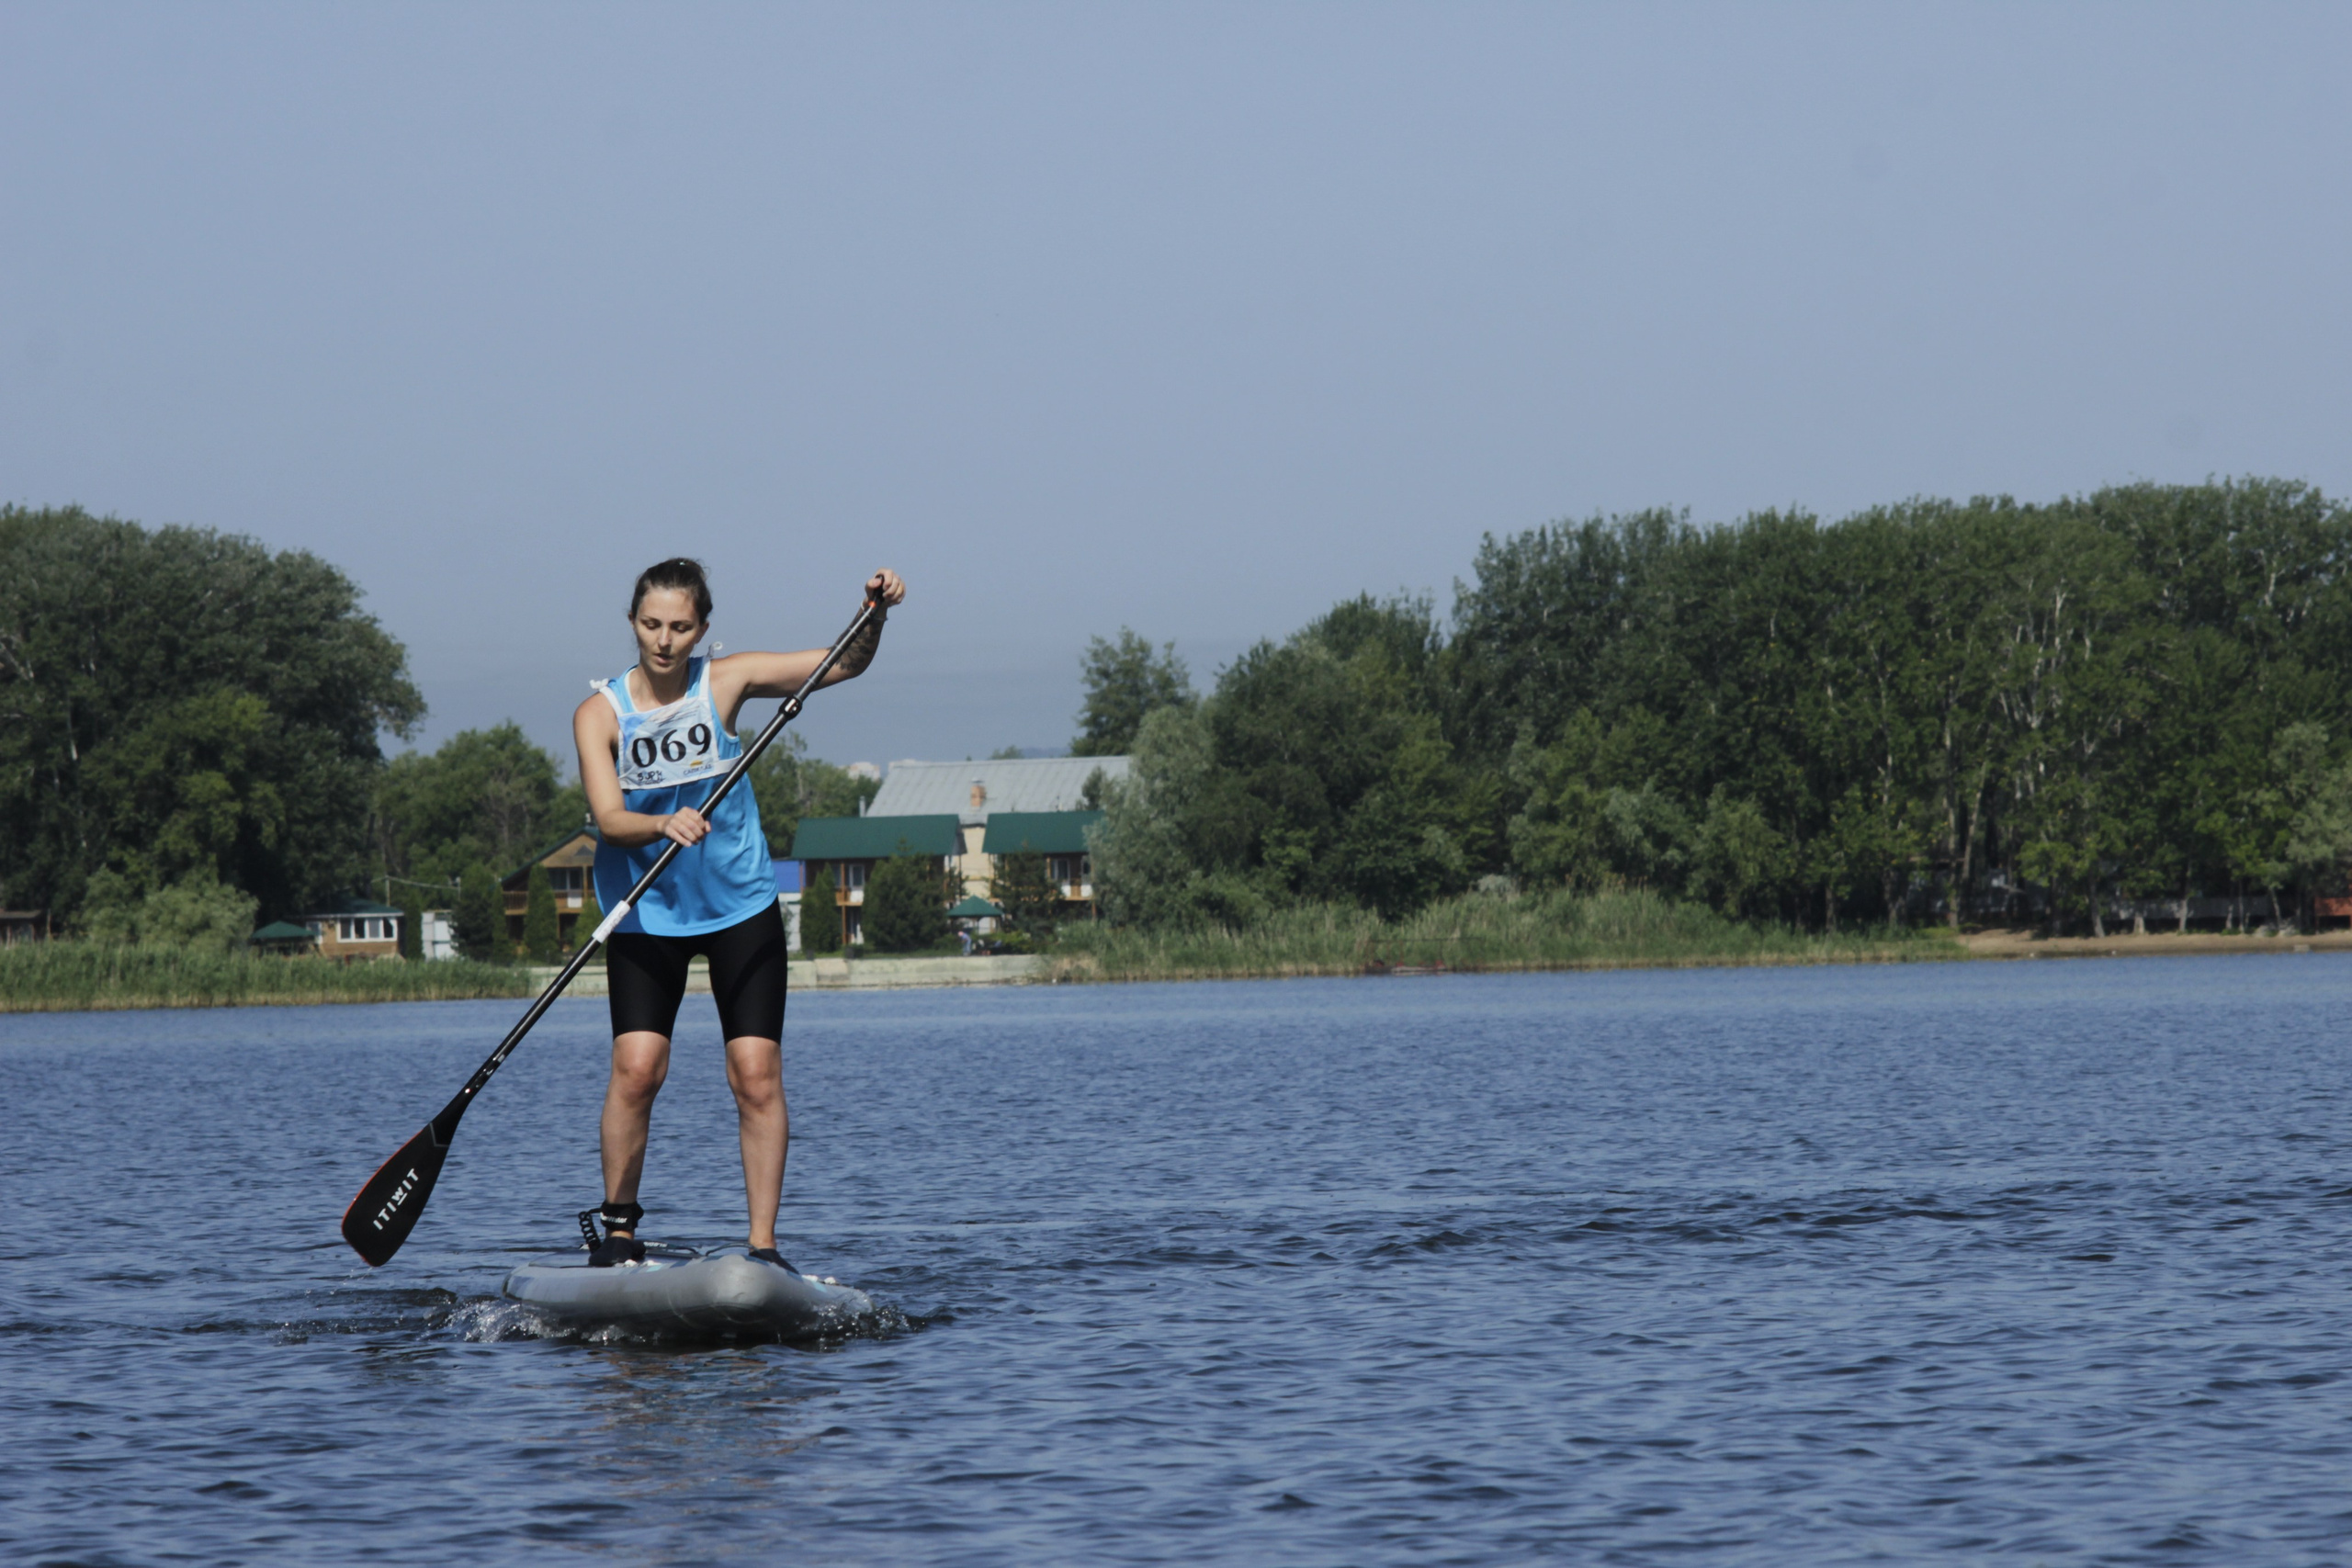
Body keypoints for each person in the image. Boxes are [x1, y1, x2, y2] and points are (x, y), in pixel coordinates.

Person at [573, 558, 907, 1269]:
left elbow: (843, 663)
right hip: (646, 911)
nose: (664, 640)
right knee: (638, 1067)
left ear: (702, 629)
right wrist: (658, 825)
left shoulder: (725, 681)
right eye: (652, 624)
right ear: (633, 622)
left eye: (680, 626)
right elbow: (607, 817)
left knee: (755, 1073)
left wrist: (874, 612)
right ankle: (619, 1230)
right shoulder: (599, 714)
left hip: (738, 906)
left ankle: (763, 1248)